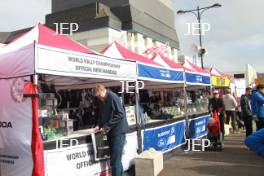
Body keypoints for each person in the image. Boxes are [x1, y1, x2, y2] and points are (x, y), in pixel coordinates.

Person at [93, 84, 128, 176]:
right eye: (97, 97)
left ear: (102, 91)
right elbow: (102, 114)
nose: (99, 98)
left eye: (99, 96)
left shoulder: (113, 97)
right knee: (115, 159)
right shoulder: (102, 100)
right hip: (111, 132)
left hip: (118, 131)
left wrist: (106, 126)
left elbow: (120, 114)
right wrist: (99, 125)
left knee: (115, 160)